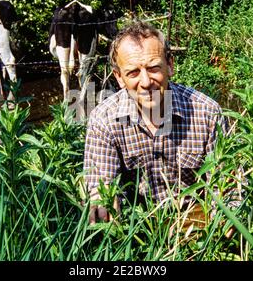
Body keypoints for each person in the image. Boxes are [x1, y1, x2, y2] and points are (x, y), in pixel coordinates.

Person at [84, 21, 227, 225]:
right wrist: (103, 206)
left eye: (153, 68)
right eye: (133, 72)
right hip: (136, 226)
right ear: (119, 77)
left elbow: (227, 186)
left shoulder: (207, 113)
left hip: (197, 222)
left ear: (170, 65)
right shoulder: (103, 121)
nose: (145, 82)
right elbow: (102, 188)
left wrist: (221, 225)